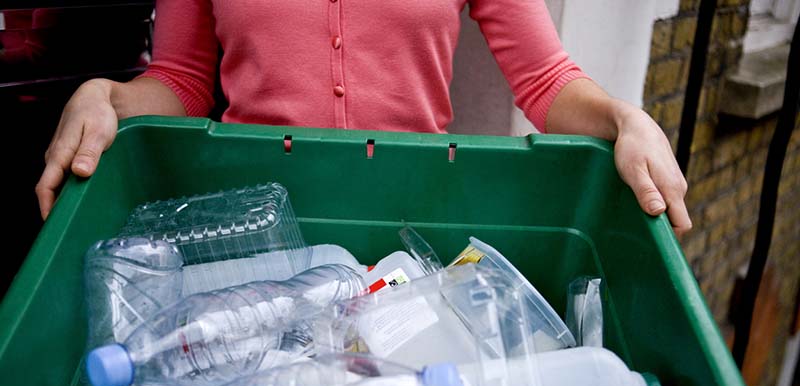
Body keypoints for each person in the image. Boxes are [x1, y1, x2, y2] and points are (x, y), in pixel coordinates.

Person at [35, 0, 691, 235]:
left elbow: (546, 81)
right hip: (255, 226)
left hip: (408, 224)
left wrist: (622, 118)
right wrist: (109, 98)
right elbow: (180, 80)